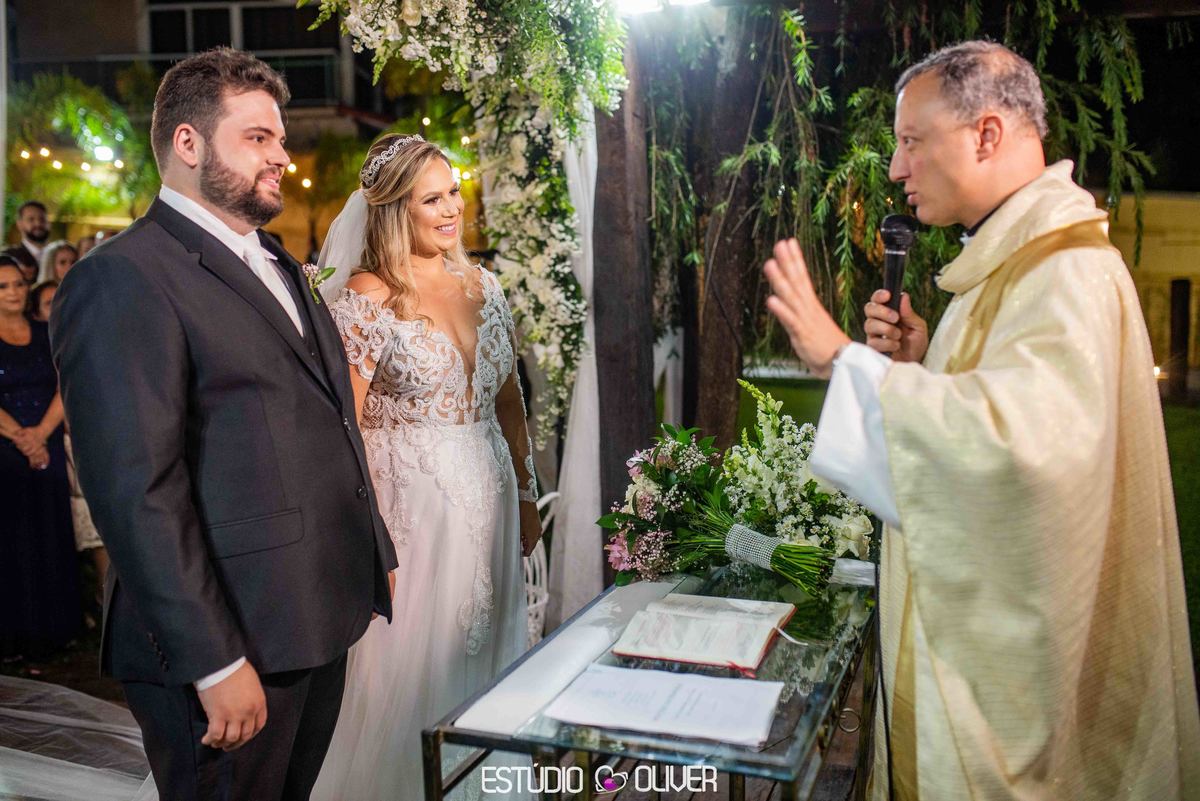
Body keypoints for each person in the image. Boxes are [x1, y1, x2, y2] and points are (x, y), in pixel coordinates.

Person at [763, 40, 1199, 801]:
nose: (895, 169)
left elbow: (1022, 456)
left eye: (911, 141)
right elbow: (992, 410)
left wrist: (842, 360)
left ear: (987, 134)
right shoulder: (1013, 265)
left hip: (1028, 703)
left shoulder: (1068, 271)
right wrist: (920, 363)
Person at [50, 48, 398, 800]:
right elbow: (137, 490)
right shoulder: (122, 278)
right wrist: (213, 660)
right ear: (188, 142)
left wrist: (372, 547)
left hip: (311, 615)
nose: (281, 156)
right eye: (258, 138)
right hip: (229, 639)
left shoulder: (276, 260)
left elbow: (328, 418)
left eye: (280, 139)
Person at [311, 133, 541, 801]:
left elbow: (509, 400)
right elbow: (343, 428)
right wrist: (366, 536)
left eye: (454, 193)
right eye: (431, 199)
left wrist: (527, 496)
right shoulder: (368, 296)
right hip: (410, 515)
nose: (452, 209)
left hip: (492, 506)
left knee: (486, 655)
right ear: (393, 210)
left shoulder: (484, 285)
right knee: (410, 669)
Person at [0, 257, 81, 660]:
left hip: (46, 442)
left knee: (51, 534)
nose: (13, 292)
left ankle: (56, 630)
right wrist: (22, 438)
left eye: (18, 284)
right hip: (6, 449)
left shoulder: (46, 331)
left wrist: (40, 435)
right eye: (3, 287)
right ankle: (15, 635)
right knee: (13, 540)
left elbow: (66, 383)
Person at [10, 201, 50, 268]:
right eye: (31, 219)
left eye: (42, 219)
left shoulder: (60, 256)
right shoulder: (11, 258)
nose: (38, 224)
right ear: (19, 224)